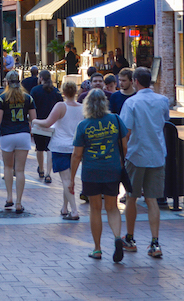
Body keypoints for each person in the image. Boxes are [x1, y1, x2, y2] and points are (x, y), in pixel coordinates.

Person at [69, 88, 128, 262]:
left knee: (95, 209)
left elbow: (77, 155)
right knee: (112, 207)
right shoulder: (115, 120)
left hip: (92, 170)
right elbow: (125, 146)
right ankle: (117, 237)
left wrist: (71, 178)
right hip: (112, 168)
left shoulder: (84, 125)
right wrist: (121, 163)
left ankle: (97, 248)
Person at [120, 67, 170, 258]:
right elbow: (163, 122)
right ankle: (155, 242)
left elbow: (127, 132)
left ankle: (130, 238)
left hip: (136, 154)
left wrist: (124, 154)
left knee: (131, 197)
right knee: (152, 199)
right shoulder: (163, 100)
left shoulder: (131, 103)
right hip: (157, 154)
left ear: (135, 81)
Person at [0, 70, 36, 214]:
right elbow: (33, 119)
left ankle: (9, 197)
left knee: (8, 167)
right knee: (20, 170)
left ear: (7, 82)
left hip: (7, 135)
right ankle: (19, 203)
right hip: (23, 134)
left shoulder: (1, 98)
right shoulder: (28, 98)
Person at [33, 81, 83, 220]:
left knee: (66, 180)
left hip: (60, 146)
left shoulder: (61, 106)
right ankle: (64, 207)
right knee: (69, 179)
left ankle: (74, 210)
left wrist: (35, 121)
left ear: (63, 92)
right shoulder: (82, 107)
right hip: (75, 147)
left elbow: (47, 123)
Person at [30, 70, 62, 183]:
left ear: (40, 78)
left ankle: (41, 169)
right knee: (49, 149)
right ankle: (49, 173)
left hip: (39, 122)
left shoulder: (35, 90)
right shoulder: (56, 91)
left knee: (39, 148)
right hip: (53, 124)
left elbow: (31, 107)